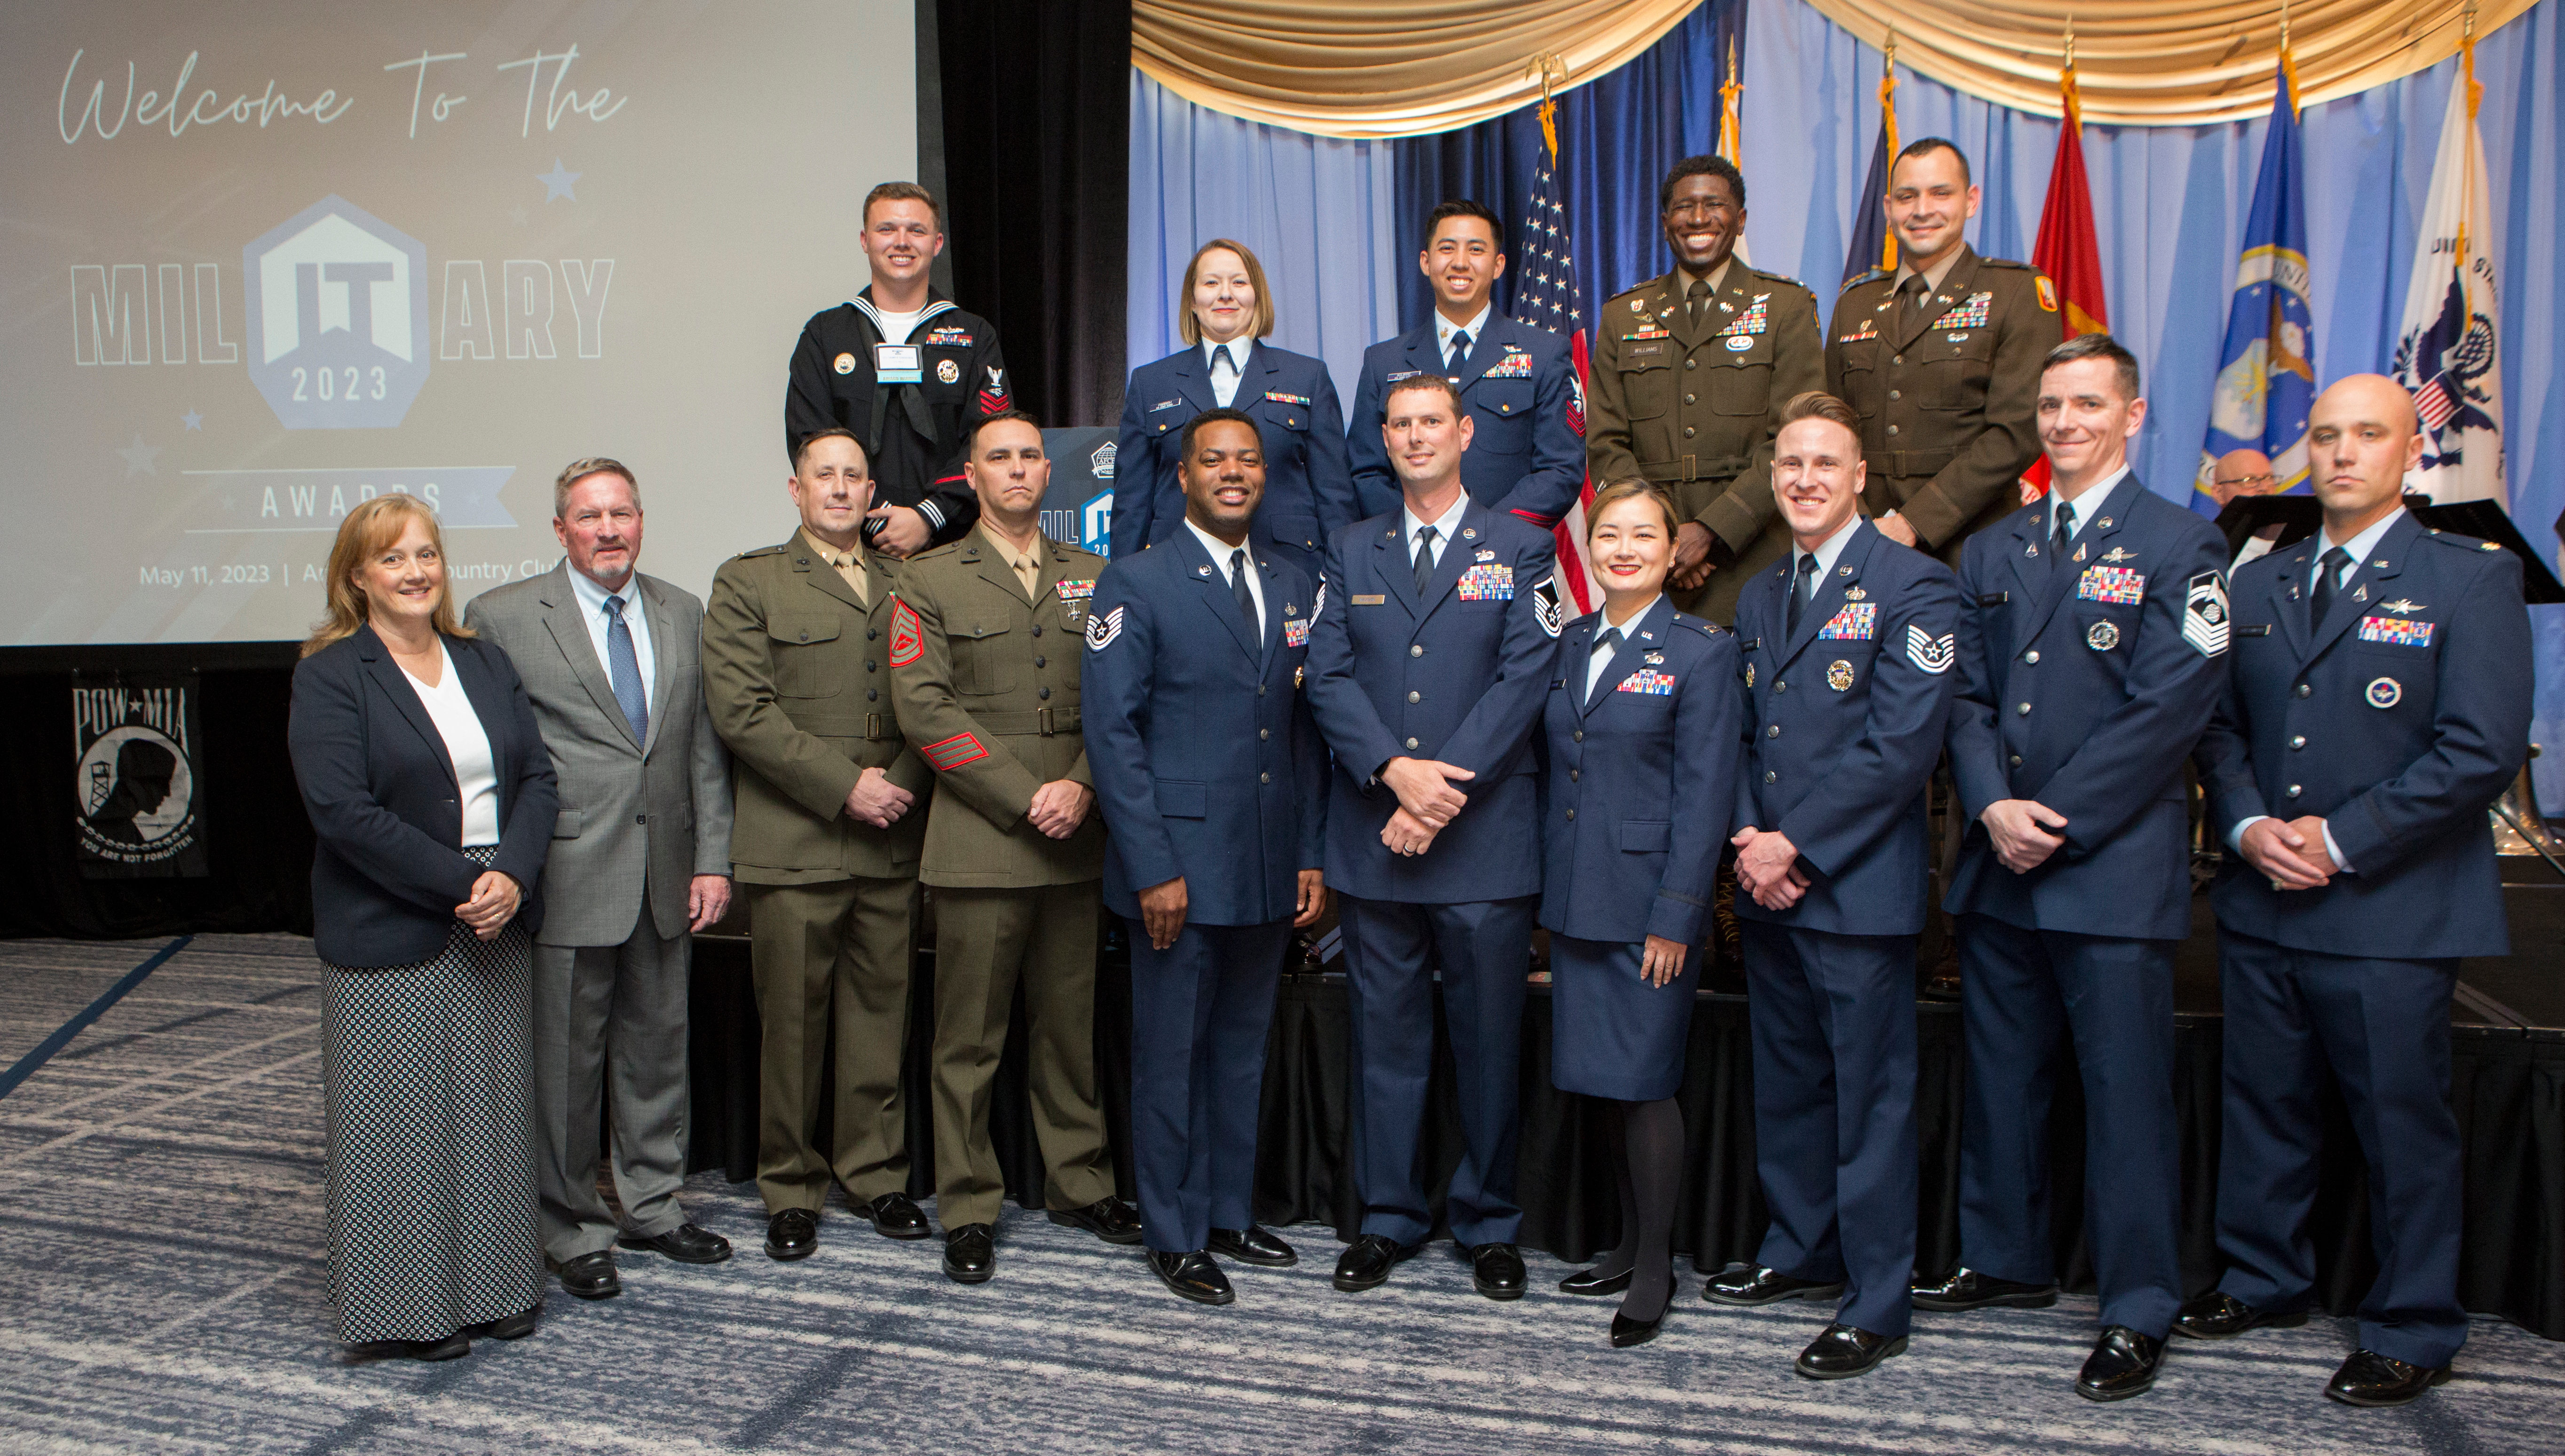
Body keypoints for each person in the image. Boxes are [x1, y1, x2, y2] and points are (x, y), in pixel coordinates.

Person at [2184, 374, 2531, 1408]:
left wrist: (2340, 837)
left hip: (2390, 902)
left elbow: (2479, 749)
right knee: (2263, 1102)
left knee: (2398, 1118)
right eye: (2326, 436)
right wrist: (2245, 824)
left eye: (2366, 435)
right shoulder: (2258, 583)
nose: (2342, 454)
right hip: (2263, 893)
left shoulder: (2471, 579)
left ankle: (2414, 1320)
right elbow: (2216, 727)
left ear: (2407, 452)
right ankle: (2264, 1276)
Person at [1925, 335, 2232, 1401]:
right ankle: (2005, 1255)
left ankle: (2138, 1303)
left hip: (2106, 867)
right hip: (2000, 861)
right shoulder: (1993, 548)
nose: (2064, 421)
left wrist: (2055, 816)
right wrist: (1993, 807)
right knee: (2004, 1082)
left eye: (2087, 404)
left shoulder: (2183, 543)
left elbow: (2172, 704)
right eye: (2051, 404)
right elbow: (1961, 698)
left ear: (2132, 415)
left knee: (2125, 1097)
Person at [1708, 392, 1959, 1380]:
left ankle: (1878, 1297)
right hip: (1769, 892)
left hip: (1853, 894)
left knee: (1871, 1103)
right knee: (1794, 1087)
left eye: (1825, 463)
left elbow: (1900, 751)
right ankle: (1798, 1249)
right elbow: (1736, 736)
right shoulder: (1764, 594)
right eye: (1790, 465)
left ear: (1861, 477)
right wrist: (1745, 835)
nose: (1805, 479)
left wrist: (1792, 848)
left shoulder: (1916, 587)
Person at [1302, 373, 1556, 1301]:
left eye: (1430, 423)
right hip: (1376, 837)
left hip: (1483, 840)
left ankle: (1490, 1222)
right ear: (1386, 439)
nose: (1415, 438)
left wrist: (1438, 788)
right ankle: (1389, 1217)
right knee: (1387, 1039)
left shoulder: (1523, 550)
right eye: (1399, 425)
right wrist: (1392, 773)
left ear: (1464, 431)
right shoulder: (1349, 546)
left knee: (1489, 1042)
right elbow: (1326, 676)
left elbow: (1527, 676)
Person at [287, 494, 558, 1361]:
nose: (415, 572)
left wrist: (511, 873)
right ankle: (409, 1311)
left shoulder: (482, 658)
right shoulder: (331, 672)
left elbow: (539, 779)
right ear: (357, 575)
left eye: (427, 555)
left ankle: (498, 1289)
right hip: (394, 914)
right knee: (398, 1123)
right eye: (393, 558)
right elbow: (341, 812)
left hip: (497, 916)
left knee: (490, 1112)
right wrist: (466, 881)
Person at [464, 458, 738, 1301]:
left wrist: (712, 858)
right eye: (590, 516)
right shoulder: (502, 617)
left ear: (642, 521)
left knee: (657, 1052)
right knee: (567, 1066)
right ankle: (570, 1223)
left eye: (623, 512)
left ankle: (653, 1204)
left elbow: (700, 749)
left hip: (666, 873)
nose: (609, 528)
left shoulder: (682, 609)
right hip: (569, 869)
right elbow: (494, 757)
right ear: (560, 531)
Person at [1081, 408, 1331, 1305]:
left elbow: (1304, 731)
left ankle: (1227, 1210)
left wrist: (1308, 852)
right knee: (1171, 1052)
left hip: (1266, 862)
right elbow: (1112, 736)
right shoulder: (1136, 582)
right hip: (1177, 868)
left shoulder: (1296, 580)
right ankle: (1174, 1230)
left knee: (1238, 1051)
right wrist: (1152, 867)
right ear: (1182, 476)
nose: (1234, 473)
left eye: (1248, 460)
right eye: (1214, 460)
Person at [887, 410, 1138, 1284]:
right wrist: (1024, 793)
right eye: (1001, 457)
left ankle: (1081, 1182)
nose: (1020, 469)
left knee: (1069, 1029)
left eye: (1031, 456)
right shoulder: (928, 578)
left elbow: (1121, 698)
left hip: (1076, 836)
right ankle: (966, 1203)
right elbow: (923, 709)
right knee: (970, 1040)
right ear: (973, 474)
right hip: (982, 836)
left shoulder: (1096, 574)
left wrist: (1082, 784)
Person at [702, 427, 934, 1263]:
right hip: (796, 838)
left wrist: (898, 780)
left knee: (880, 1018)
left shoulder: (913, 580)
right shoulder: (749, 579)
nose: (840, 489)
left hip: (891, 835)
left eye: (854, 476)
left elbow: (935, 699)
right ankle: (791, 1185)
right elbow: (742, 712)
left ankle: (874, 1173)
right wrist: (848, 786)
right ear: (794, 491)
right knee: (792, 1027)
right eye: (822, 476)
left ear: (874, 494)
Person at [1540, 480, 1741, 1348]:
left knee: (1648, 1083)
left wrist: (1677, 914)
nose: (1623, 548)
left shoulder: (1702, 650)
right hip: (1579, 899)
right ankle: (1625, 1242)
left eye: (1643, 535)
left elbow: (1705, 797)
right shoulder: (1573, 640)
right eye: (1609, 533)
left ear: (1673, 552)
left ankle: (1657, 1264)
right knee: (1606, 1084)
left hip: (1650, 906)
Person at [1587, 156, 1824, 625]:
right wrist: (1665, 536)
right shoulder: (1622, 315)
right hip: (1653, 565)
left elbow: (1794, 443)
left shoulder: (1785, 306)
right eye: (1684, 207)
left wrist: (1713, 531)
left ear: (1740, 221)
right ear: (1664, 222)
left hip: (1753, 556)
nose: (1697, 218)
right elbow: (1605, 441)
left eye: (1713, 205)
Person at [1826, 138, 2062, 566]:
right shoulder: (1855, 303)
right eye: (1906, 196)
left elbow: (2016, 433)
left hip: (1973, 548)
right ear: (1887, 208)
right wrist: (1860, 527)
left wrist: (1913, 523)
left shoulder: (2015, 293)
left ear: (1970, 201)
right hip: (1864, 544)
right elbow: (1831, 428)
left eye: (1940, 193)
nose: (1921, 210)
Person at [1111, 239, 1357, 584]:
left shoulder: (1306, 377)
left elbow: (1335, 497)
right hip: (1176, 576)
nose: (1225, 294)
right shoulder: (1150, 383)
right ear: (1192, 301)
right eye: (1211, 283)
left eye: (1239, 283)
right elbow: (1131, 505)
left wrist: (1346, 586)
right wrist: (1122, 586)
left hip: (1288, 571)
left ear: (1257, 297)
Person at [785, 182, 1011, 557]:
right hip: (849, 548)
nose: (901, 242)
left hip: (955, 547)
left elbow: (992, 440)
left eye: (916, 231)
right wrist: (876, 517)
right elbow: (809, 441)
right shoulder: (824, 336)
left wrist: (929, 517)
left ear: (937, 243)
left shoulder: (974, 337)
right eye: (887, 229)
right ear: (864, 240)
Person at [1344, 200, 1581, 527]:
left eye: (1475, 250)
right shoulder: (1383, 361)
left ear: (1498, 265)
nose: (1460, 263)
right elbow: (1366, 472)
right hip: (1412, 557)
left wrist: (1484, 534)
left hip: (1506, 556)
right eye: (1446, 249)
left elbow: (1561, 470)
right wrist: (1420, 531)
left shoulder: (1544, 353)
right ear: (1425, 262)